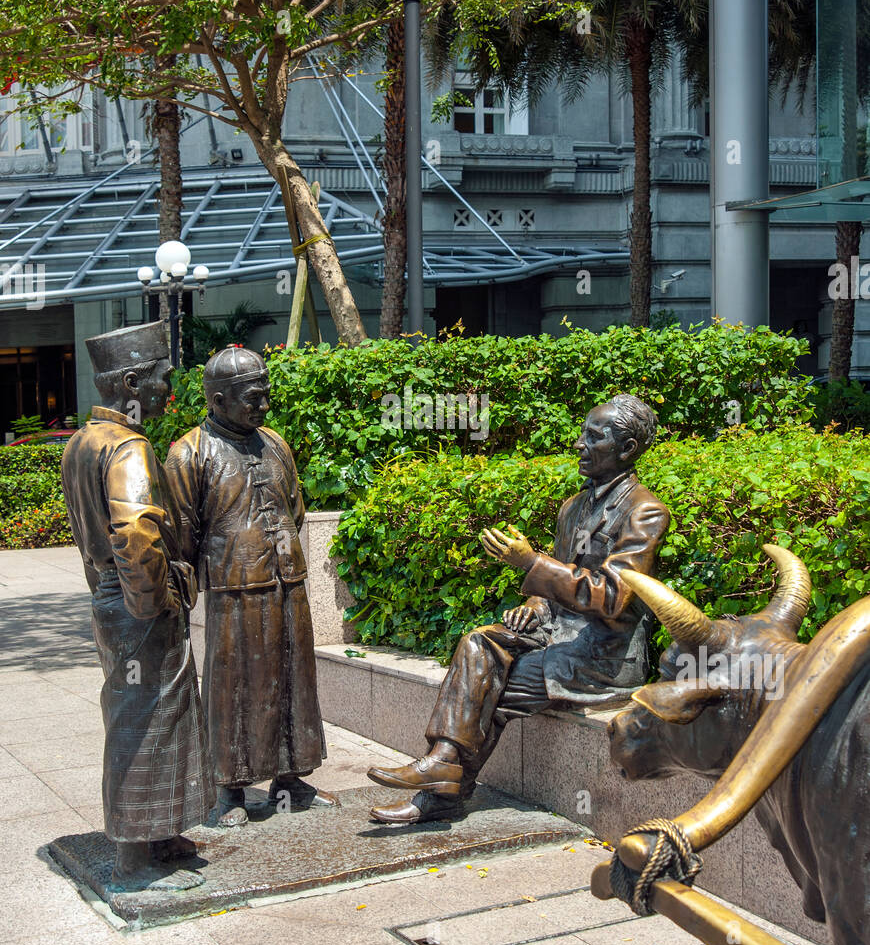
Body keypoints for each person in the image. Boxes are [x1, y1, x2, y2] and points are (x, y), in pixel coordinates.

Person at [367, 394, 670, 825]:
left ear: (628, 449)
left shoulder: (646, 511)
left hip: (603, 652)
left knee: (494, 689)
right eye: (583, 433)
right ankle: (442, 763)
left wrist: (531, 563)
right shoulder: (573, 507)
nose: (580, 445)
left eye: (594, 437)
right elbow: (558, 583)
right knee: (478, 644)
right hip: (558, 635)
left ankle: (441, 791)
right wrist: (534, 603)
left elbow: (611, 597)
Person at [61, 322, 214, 890]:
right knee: (143, 720)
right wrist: (153, 604)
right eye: (160, 376)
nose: (168, 387)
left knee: (154, 714)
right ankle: (135, 854)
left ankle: (160, 832)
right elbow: (135, 533)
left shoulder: (82, 441)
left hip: (112, 598)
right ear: (130, 380)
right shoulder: (128, 446)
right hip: (138, 608)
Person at [164, 347, 335, 827]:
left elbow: (295, 507)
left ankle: (292, 778)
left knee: (295, 678)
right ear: (218, 400)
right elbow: (181, 531)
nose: (263, 407)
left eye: (265, 396)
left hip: (287, 581)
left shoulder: (275, 443)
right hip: (235, 589)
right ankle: (230, 789)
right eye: (252, 398)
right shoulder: (188, 453)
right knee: (234, 686)